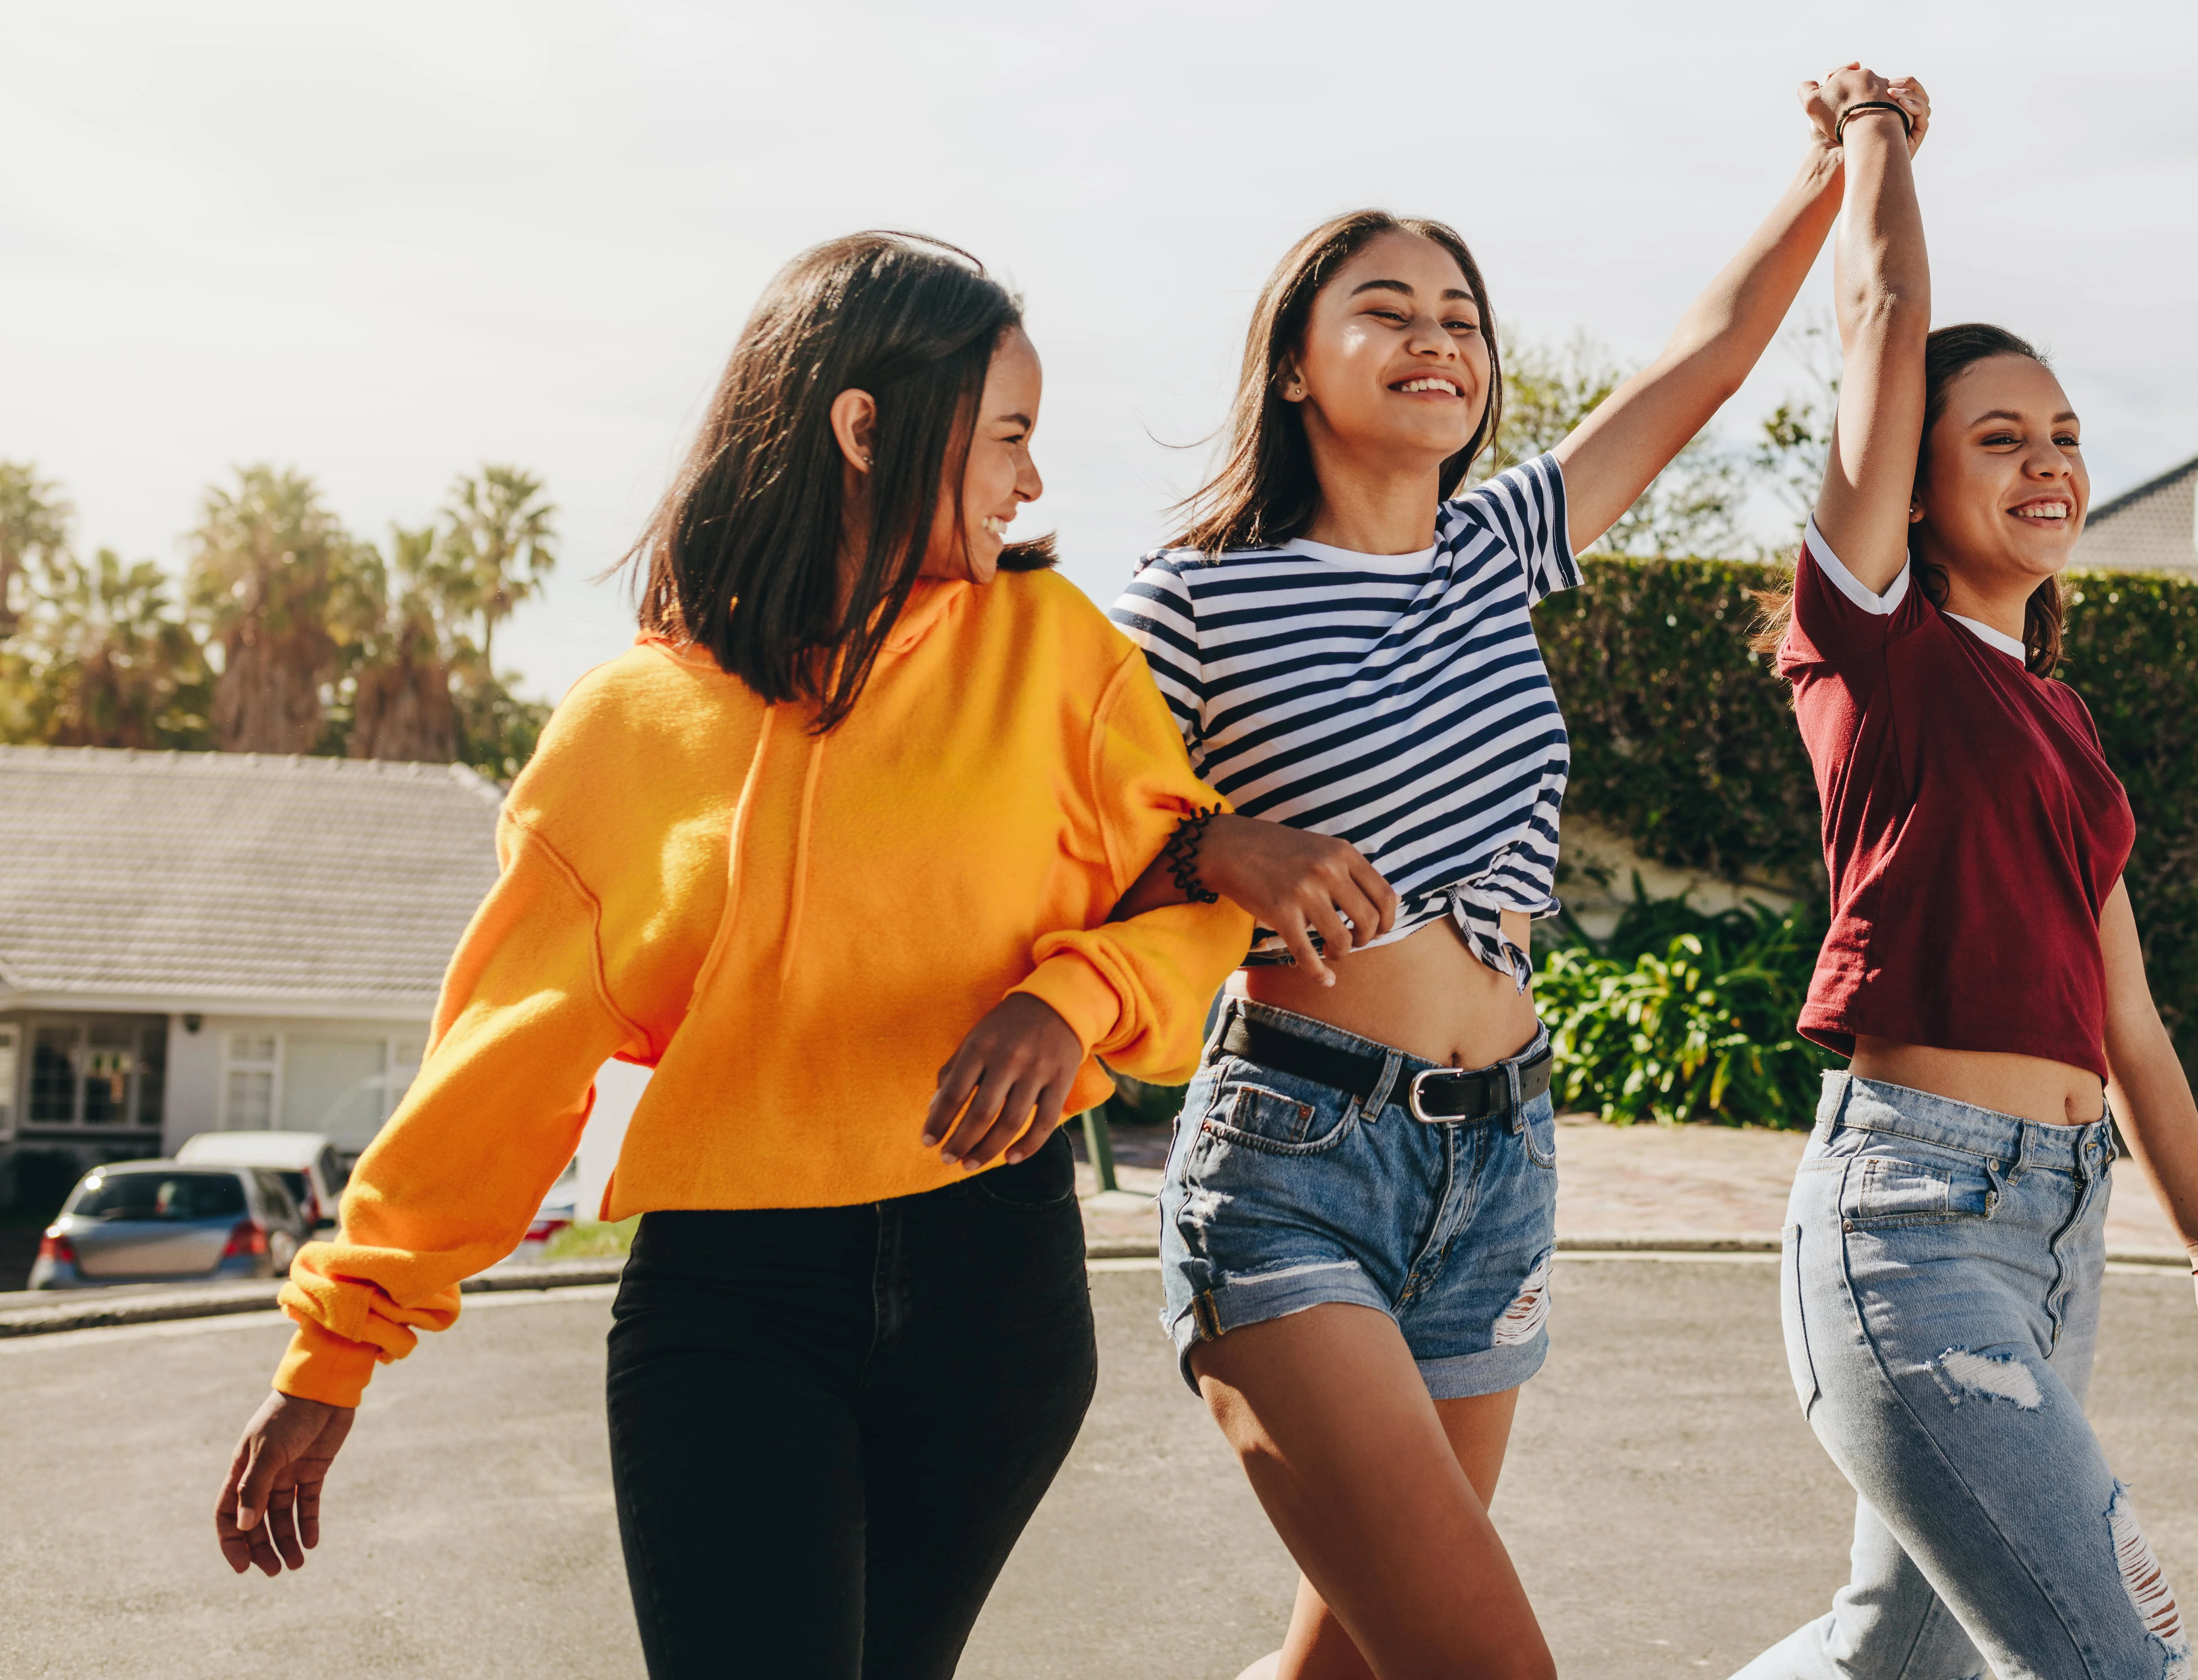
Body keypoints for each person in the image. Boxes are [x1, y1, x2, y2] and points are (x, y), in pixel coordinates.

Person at [208, 232, 1251, 1680]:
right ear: (864, 425)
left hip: (994, 1295)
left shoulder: (1056, 654)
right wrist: (338, 1348)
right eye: (1009, 436)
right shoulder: (629, 726)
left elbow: (1196, 882)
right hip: (734, 1309)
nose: (1031, 482)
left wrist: (1070, 1002)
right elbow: (506, 1057)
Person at [1100, 79, 1901, 1680]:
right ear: (1292, 362)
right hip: (1295, 1158)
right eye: (1384, 308)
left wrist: (1833, 170)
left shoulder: (1496, 547)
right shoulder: (1194, 599)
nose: (1436, 339)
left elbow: (1702, 363)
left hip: (1499, 1162)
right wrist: (1212, 846)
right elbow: (1057, 828)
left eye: (1462, 317)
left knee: (1347, 1666)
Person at [1733, 68, 2198, 1680]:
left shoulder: (2056, 717)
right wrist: (1877, 142)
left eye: (2064, 437)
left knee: (1886, 1657)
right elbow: (1880, 317)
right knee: (2112, 1659)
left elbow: (2125, 1019)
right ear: (1912, 471)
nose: (2046, 464)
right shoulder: (1873, 651)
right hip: (1909, 1219)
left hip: (2054, 1232)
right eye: (1998, 437)